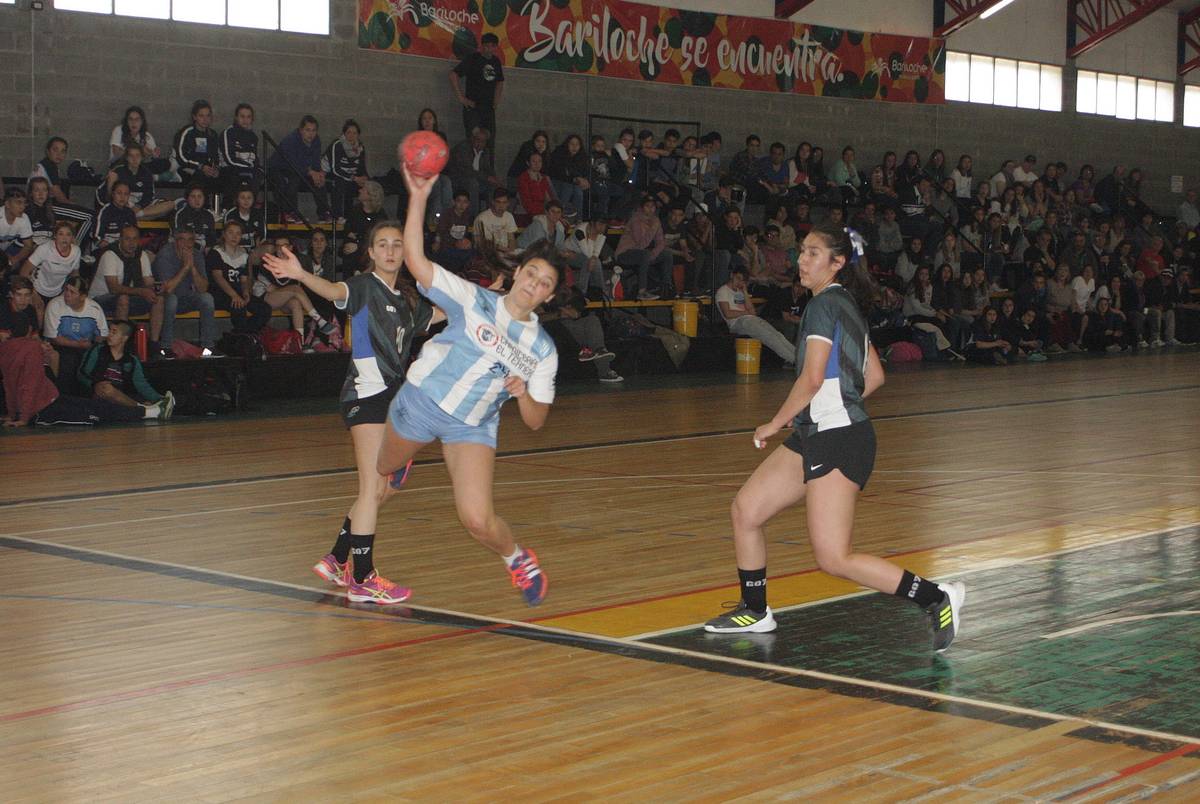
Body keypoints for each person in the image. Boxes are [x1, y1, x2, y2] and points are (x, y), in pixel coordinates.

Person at [703, 223, 965, 653]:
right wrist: (833, 403)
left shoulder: (825, 306)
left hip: (838, 439)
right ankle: (755, 610)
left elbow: (809, 378)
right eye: (801, 252)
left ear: (837, 262)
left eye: (812, 253)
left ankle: (938, 597)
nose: (801, 260)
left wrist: (775, 422)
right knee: (746, 510)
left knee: (833, 558)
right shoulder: (845, 305)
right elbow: (875, 376)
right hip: (820, 432)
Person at [378, 164, 561, 606]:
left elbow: (537, 422)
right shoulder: (473, 299)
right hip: (420, 402)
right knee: (382, 471)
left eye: (545, 285)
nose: (534, 285)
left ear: (548, 298)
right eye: (531, 274)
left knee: (478, 520)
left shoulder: (544, 349)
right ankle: (401, 462)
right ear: (518, 274)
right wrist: (418, 197)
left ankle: (517, 559)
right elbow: (417, 263)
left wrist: (522, 396)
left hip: (473, 427)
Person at [263, 219, 441, 603]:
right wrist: (299, 273)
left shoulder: (406, 300)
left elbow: (437, 317)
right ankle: (362, 577)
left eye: (397, 244)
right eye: (383, 244)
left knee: (382, 489)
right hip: (367, 393)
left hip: (392, 398)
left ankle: (337, 557)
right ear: (372, 253)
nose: (391, 250)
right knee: (370, 488)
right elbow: (331, 290)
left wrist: (483, 304)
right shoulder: (362, 287)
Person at [78, 320, 175, 420]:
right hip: (96, 393)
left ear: (124, 338)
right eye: (109, 331)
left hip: (121, 397)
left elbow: (141, 384)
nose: (109, 335)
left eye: (114, 332)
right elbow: (82, 373)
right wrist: (94, 384)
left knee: (146, 401)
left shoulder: (131, 360)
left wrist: (159, 399)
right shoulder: (97, 350)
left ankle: (148, 409)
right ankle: (147, 410)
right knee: (106, 389)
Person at [90, 224, 164, 349]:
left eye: (135, 239)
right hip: (101, 299)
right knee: (123, 298)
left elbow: (148, 282)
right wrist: (141, 291)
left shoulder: (142, 255)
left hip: (130, 297)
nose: (132, 243)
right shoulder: (110, 255)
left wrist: (157, 287)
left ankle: (153, 344)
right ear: (120, 239)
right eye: (127, 239)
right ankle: (121, 346)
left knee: (159, 299)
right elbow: (113, 288)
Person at [256, 234, 339, 342]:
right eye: (278, 246)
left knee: (296, 303)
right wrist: (287, 291)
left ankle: (300, 342)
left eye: (284, 246)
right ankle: (319, 321)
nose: (281, 249)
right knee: (294, 289)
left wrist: (286, 292)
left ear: (290, 247)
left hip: (284, 298)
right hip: (264, 298)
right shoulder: (269, 262)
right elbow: (269, 288)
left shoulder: (295, 264)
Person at [152, 228, 217, 358]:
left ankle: (208, 347)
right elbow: (168, 289)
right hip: (164, 300)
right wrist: (186, 267)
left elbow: (203, 288)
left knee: (207, 299)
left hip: (186, 297)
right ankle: (165, 346)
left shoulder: (197, 255)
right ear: (175, 241)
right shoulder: (165, 255)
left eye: (190, 240)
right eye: (182, 239)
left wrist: (192, 267)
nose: (187, 244)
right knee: (171, 299)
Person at [716, 266, 795, 364]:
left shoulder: (740, 292)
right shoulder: (723, 291)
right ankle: (794, 360)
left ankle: (800, 356)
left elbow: (752, 312)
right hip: (737, 323)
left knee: (777, 334)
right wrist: (746, 313)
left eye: (742, 280)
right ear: (731, 275)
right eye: (738, 278)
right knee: (768, 337)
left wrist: (744, 291)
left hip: (750, 318)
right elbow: (727, 313)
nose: (739, 282)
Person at [206, 220, 272, 334]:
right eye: (230, 232)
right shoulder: (215, 252)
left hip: (238, 291)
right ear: (224, 234)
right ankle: (243, 337)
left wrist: (246, 292)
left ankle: (241, 334)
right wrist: (234, 296)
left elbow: (244, 279)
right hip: (220, 292)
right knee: (238, 307)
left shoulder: (244, 254)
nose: (234, 236)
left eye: (238, 233)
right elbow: (218, 278)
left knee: (264, 309)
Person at [27, 137, 95, 247]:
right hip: (42, 206)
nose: (59, 154)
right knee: (89, 216)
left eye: (63, 151)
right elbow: (58, 196)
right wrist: (72, 205)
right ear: (47, 151)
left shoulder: (48, 165)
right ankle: (75, 249)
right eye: (55, 150)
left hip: (45, 205)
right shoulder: (48, 166)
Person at [269, 115, 330, 223]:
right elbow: (293, 163)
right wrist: (311, 172)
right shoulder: (291, 140)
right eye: (307, 130)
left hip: (300, 169)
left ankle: (324, 213)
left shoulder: (316, 141)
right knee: (294, 178)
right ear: (301, 130)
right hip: (280, 168)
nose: (311, 134)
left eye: (314, 130)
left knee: (320, 180)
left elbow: (315, 161)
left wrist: (319, 174)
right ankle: (290, 212)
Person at [615, 195, 672, 300]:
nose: (650, 209)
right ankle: (642, 291)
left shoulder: (655, 220)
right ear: (642, 207)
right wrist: (653, 228)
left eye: (653, 206)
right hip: (626, 253)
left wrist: (654, 254)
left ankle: (666, 288)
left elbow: (661, 242)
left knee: (667, 254)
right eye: (647, 206)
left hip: (643, 255)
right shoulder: (636, 219)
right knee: (645, 254)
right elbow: (641, 244)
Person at [450, 32, 505, 141]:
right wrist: (461, 98)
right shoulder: (473, 59)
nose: (488, 49)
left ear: (496, 47)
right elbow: (453, 75)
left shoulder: (496, 62)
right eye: (486, 46)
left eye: (492, 46)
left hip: (488, 109)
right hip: (473, 107)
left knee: (489, 142)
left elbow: (500, 81)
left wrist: (496, 101)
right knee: (473, 140)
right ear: (482, 46)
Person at [24, 221, 80, 308]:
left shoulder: (76, 251)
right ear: (55, 236)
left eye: (68, 234)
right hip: (37, 289)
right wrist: (33, 294)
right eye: (61, 234)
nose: (64, 238)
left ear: (72, 237)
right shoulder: (44, 249)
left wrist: (70, 292)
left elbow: (75, 274)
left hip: (58, 292)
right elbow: (24, 271)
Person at [174, 99, 222, 197]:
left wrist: (215, 168)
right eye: (201, 116)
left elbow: (216, 156)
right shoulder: (187, 132)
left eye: (208, 115)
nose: (205, 119)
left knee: (222, 178)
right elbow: (181, 157)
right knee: (200, 178)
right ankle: (201, 207)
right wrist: (200, 166)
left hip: (206, 169)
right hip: (187, 167)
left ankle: (216, 209)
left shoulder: (213, 134)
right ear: (194, 117)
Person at [324, 119, 369, 221]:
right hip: (333, 175)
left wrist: (365, 178)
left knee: (371, 186)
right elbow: (335, 169)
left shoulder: (360, 147)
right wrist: (354, 178)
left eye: (355, 133)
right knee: (340, 183)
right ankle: (338, 216)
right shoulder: (337, 145)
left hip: (352, 177)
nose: (351, 136)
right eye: (349, 132)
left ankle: (364, 217)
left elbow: (362, 167)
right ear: (344, 133)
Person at [220, 103, 261, 201]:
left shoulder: (253, 137)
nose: (245, 120)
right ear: (236, 118)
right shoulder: (228, 133)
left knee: (258, 175)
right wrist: (248, 167)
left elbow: (254, 158)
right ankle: (229, 207)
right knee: (234, 177)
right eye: (242, 116)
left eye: (248, 117)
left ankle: (251, 208)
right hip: (229, 170)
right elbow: (229, 159)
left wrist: (258, 168)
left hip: (247, 170)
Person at [93, 182, 139, 250]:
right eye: (119, 193)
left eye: (126, 194)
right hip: (107, 248)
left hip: (125, 247)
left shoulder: (130, 213)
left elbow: (134, 234)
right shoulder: (105, 211)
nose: (122, 197)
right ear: (113, 194)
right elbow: (97, 238)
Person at [473, 188, 518, 254]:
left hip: (505, 252)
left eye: (504, 202)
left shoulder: (509, 216)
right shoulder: (482, 218)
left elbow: (511, 239)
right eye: (498, 202)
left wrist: (511, 252)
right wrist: (504, 250)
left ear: (508, 203)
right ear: (493, 202)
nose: (501, 206)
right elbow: (482, 243)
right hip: (488, 253)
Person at [1, 187, 36, 271]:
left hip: (5, 252)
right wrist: (5, 257)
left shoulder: (24, 218)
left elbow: (28, 245)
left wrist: (15, 259)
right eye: (19, 203)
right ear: (7, 204)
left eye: (24, 203)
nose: (23, 207)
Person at [173, 184, 217, 250]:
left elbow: (212, 238)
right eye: (193, 196)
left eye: (199, 196)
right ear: (187, 199)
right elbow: (180, 238)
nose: (197, 200)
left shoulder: (209, 215)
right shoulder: (181, 214)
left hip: (205, 250)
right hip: (186, 250)